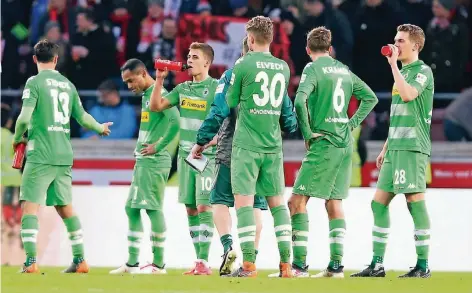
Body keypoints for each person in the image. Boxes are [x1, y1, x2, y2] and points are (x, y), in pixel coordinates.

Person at [191, 36, 298, 276]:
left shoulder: (232, 74)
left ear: (246, 48)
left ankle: (231, 248)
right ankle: (277, 262)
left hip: (234, 149)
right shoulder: (278, 70)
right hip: (269, 147)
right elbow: (289, 117)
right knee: (263, 205)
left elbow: (220, 109)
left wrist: (202, 139)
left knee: (221, 202)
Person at [278, 26, 378, 278]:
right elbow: (370, 98)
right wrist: (351, 124)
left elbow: (299, 100)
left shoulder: (312, 68)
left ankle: (299, 267)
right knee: (334, 203)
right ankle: (336, 267)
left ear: (307, 49)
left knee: (296, 202)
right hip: (344, 144)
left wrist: (307, 132)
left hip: (324, 143)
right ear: (330, 48)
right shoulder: (343, 69)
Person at [13, 39, 112, 273]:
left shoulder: (34, 82)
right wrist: (100, 128)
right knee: (65, 207)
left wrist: (18, 137)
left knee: (30, 207)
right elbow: (83, 117)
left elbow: (25, 118)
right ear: (56, 59)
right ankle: (80, 259)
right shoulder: (68, 84)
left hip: (41, 153)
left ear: (35, 58)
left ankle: (30, 262)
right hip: (64, 154)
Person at [351, 24, 434, 278]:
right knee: (378, 204)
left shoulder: (422, 72)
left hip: (412, 148)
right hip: (396, 147)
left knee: (414, 203)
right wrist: (386, 146)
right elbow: (400, 113)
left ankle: (423, 265)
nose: (395, 45)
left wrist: (393, 65)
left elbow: (409, 96)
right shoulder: (402, 72)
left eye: (400, 41)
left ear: (415, 46)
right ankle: (377, 264)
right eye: (395, 40)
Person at [223, 16, 297, 278]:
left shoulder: (243, 63)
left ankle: (249, 265)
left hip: (247, 145)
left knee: (244, 205)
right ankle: (287, 265)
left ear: (250, 39)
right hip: (273, 146)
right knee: (278, 206)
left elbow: (230, 100)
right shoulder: (283, 67)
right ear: (271, 38)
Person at [148, 43, 219, 275]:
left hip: (207, 157)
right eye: (188, 56)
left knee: (203, 205)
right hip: (187, 157)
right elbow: (156, 106)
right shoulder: (183, 88)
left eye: (195, 57)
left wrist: (215, 140)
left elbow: (229, 120)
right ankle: (199, 261)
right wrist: (159, 79)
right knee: (190, 208)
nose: (189, 60)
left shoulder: (217, 88)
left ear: (206, 62)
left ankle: (204, 260)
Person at [109, 58, 179, 275]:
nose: (129, 86)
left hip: (154, 161)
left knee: (152, 208)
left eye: (131, 81)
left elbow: (176, 120)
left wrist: (158, 146)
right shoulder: (148, 95)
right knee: (132, 208)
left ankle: (158, 265)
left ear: (142, 73)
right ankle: (132, 264)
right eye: (126, 83)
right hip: (144, 161)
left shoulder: (159, 94)